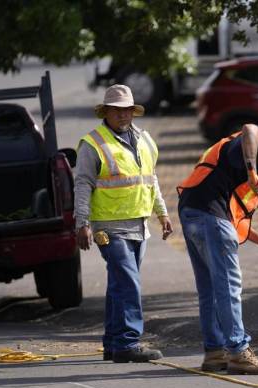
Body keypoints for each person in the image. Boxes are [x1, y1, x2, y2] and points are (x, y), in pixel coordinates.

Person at [177, 124, 258, 375]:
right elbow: (250, 130)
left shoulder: (241, 166)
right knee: (228, 285)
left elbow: (231, 220)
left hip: (193, 210)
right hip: (208, 213)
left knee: (210, 287)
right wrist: (253, 171)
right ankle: (237, 351)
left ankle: (215, 352)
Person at [74, 84, 172, 363]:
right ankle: (129, 342)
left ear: (133, 111)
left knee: (119, 284)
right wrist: (82, 223)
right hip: (107, 227)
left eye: (127, 109)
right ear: (106, 112)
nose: (122, 115)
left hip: (139, 225)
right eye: (116, 110)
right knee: (129, 282)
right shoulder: (92, 144)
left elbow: (150, 180)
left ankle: (113, 344)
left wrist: (162, 214)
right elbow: (82, 185)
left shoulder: (144, 140)